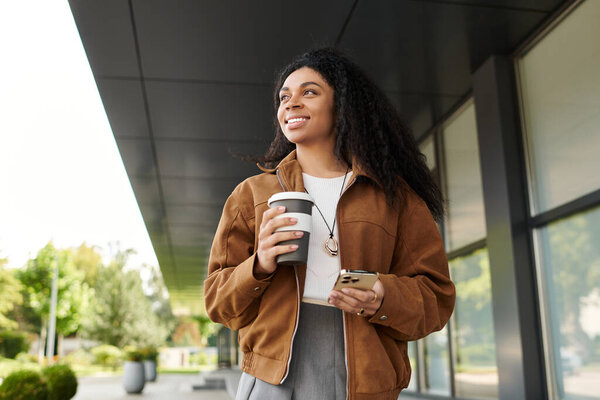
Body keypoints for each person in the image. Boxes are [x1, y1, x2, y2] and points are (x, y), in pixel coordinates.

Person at [204, 48, 455, 400]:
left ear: (343, 106)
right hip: (272, 377)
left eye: (309, 92)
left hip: (366, 378)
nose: (290, 104)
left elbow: (437, 298)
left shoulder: (395, 197)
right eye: (284, 97)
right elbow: (217, 302)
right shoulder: (252, 194)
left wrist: (381, 294)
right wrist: (259, 264)